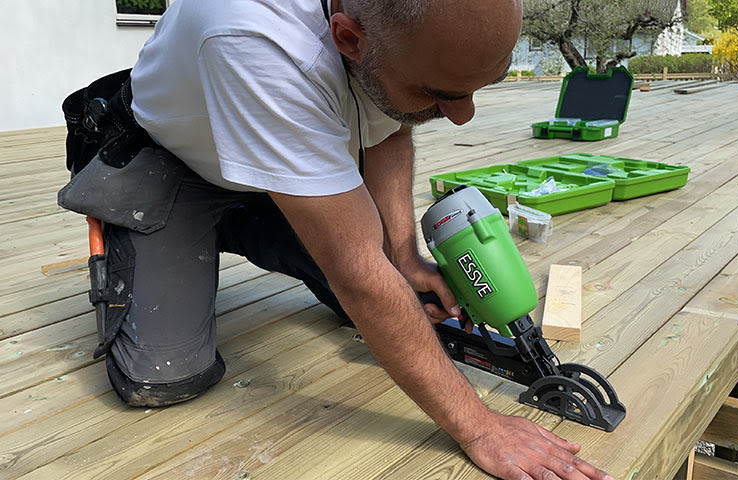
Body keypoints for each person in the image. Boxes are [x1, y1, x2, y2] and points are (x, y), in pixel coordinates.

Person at [58, 1, 613, 479]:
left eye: (476, 90)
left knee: (399, 297)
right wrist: (479, 426)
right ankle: (158, 225)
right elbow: (357, 274)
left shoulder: (388, 37)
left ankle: (277, 200)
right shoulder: (252, 36)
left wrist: (403, 257)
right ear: (348, 38)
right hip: (167, 161)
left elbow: (394, 120)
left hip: (265, 155)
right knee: (164, 380)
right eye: (443, 94)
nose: (462, 117)